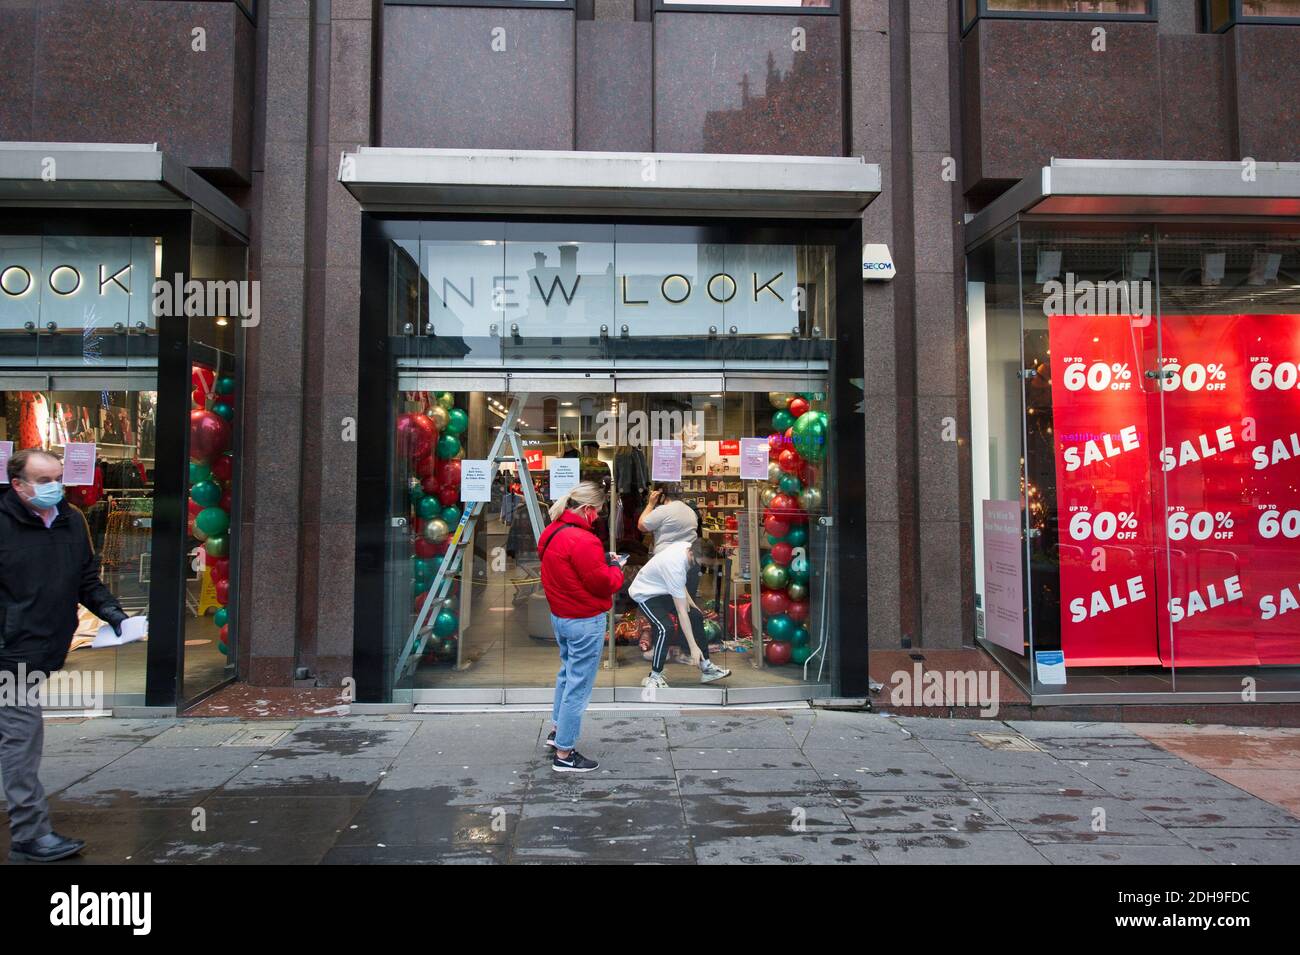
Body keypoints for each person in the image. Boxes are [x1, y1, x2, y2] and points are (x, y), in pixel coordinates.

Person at [1, 448, 130, 862]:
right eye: (43, 480)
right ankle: (30, 833)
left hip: (43, 648)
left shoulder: (71, 521)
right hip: (11, 654)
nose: (54, 486)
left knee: (18, 740)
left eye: (57, 477)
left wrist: (115, 617)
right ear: (18, 485)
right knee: (21, 742)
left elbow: (85, 579)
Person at [537, 481, 624, 772]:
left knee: (566, 676)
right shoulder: (585, 540)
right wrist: (614, 568)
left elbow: (567, 569)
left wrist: (600, 563)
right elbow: (604, 584)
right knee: (579, 686)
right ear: (586, 509)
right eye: (597, 511)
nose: (598, 517)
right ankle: (565, 753)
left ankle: (557, 732)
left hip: (561, 617)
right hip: (585, 621)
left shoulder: (552, 532)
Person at [629, 539, 731, 689]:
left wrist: (694, 607)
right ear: (691, 553)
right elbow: (681, 611)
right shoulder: (675, 565)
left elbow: (680, 585)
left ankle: (706, 666)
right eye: (699, 563)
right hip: (645, 593)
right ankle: (654, 677)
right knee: (666, 627)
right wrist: (693, 646)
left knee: (695, 615)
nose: (699, 566)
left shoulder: (687, 546)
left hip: (662, 589)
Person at [638, 484, 707, 665]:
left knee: (659, 608)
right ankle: (686, 650)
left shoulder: (663, 510)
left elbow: (642, 525)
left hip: (666, 566)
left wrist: (650, 504)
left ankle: (661, 649)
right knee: (687, 609)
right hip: (689, 565)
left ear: (662, 496)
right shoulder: (690, 512)